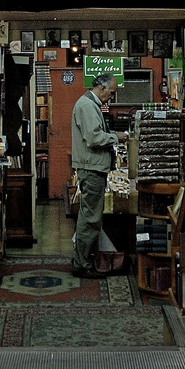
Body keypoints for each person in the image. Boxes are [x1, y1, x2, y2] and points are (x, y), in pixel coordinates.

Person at [69, 71, 120, 278]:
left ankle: (82, 258)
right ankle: (81, 264)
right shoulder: (88, 106)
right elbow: (94, 138)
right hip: (91, 168)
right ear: (102, 88)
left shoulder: (89, 104)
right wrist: (116, 137)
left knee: (89, 215)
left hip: (92, 166)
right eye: (112, 92)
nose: (112, 97)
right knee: (90, 218)